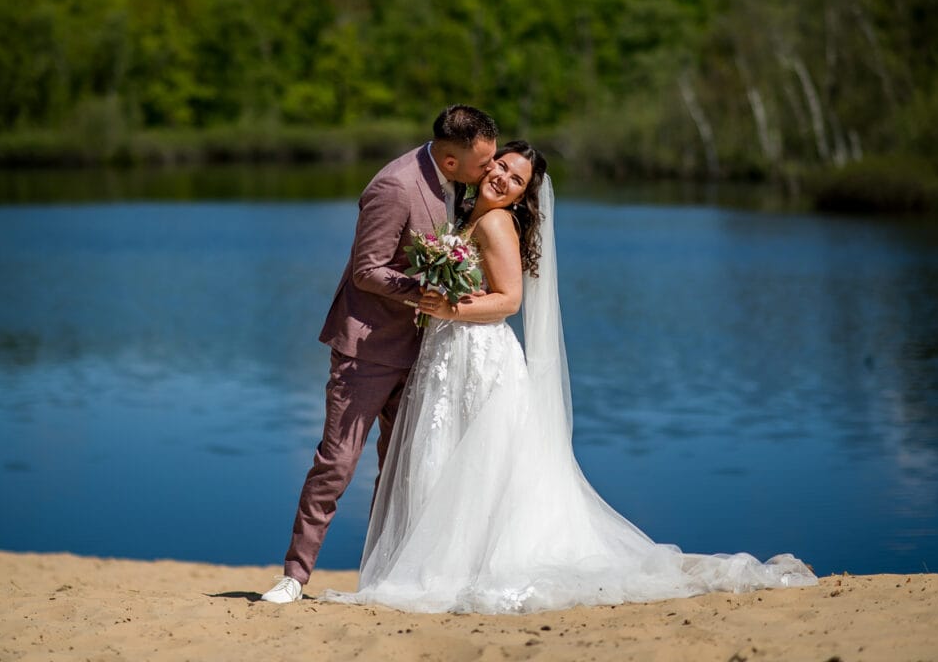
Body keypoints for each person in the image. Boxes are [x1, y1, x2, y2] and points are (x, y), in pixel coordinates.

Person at [322, 140, 818, 613]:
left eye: (517, 180)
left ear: (522, 195)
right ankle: (436, 561)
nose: (503, 179)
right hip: (449, 355)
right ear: (486, 163)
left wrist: (448, 306)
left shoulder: (495, 224)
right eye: (501, 167)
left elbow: (508, 302)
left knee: (476, 460)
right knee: (446, 456)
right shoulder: (462, 217)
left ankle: (455, 567)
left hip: (478, 357)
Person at [262, 105, 499, 604]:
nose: (490, 171)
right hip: (366, 347)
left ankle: (382, 576)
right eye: (483, 163)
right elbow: (367, 270)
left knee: (400, 469)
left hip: (427, 350)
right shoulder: (394, 186)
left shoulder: (462, 181)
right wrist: (426, 290)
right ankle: (294, 577)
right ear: (451, 163)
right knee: (337, 464)